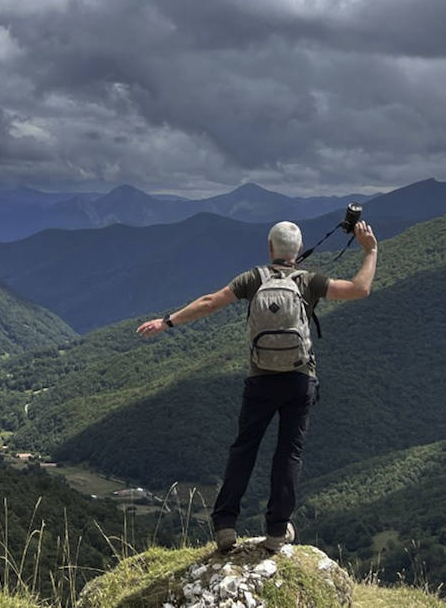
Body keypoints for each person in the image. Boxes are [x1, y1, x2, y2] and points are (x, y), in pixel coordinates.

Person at [136, 218, 378, 552]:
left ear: (269, 249)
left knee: (244, 448)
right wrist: (371, 251)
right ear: (297, 250)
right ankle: (277, 531)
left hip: (261, 378)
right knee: (288, 453)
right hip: (299, 379)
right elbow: (359, 289)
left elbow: (209, 302)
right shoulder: (309, 281)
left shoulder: (253, 279)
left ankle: (224, 526)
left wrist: (167, 322)